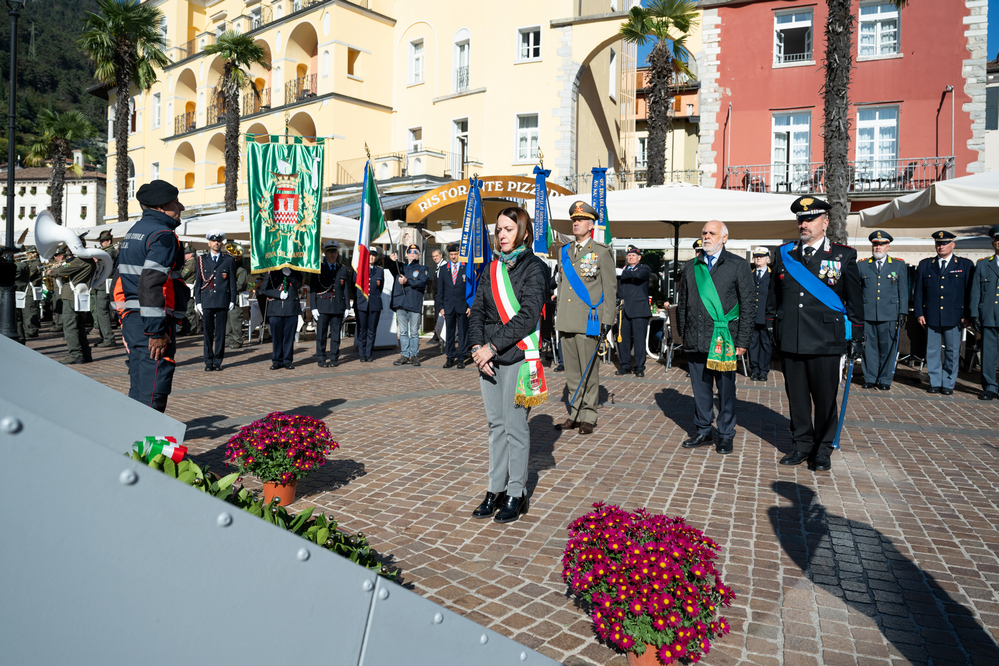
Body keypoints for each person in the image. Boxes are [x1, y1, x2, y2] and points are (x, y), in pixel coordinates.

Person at [768, 196, 864, 472]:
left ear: (825, 222)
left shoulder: (843, 256)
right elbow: (774, 298)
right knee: (797, 398)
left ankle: (823, 449)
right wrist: (773, 325)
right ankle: (801, 445)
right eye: (800, 219)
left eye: (809, 219)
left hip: (825, 339)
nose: (804, 224)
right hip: (792, 337)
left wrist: (856, 336)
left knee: (824, 399)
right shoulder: (785, 253)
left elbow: (855, 301)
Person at [468, 207, 548, 524]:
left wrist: (490, 347)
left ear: (524, 232)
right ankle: (495, 489)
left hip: (516, 356)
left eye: (509, 229)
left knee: (514, 427)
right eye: (499, 229)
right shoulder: (491, 269)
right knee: (494, 426)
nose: (502, 234)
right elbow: (477, 311)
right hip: (488, 357)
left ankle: (516, 492)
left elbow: (527, 316)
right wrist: (476, 348)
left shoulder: (535, 268)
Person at [677, 221, 755, 455]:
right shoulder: (691, 266)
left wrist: (742, 341)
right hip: (695, 338)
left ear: (724, 238)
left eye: (712, 233)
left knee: (725, 390)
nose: (707, 236)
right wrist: (683, 333)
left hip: (724, 339)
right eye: (704, 233)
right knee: (700, 389)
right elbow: (683, 305)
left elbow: (748, 305)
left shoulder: (738, 265)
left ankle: (725, 434)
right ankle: (702, 430)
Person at [114, 180, 189, 412]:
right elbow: (151, 284)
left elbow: (117, 281)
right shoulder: (163, 235)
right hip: (151, 323)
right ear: (160, 207)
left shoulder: (133, 232)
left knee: (139, 390)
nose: (181, 207)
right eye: (175, 202)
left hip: (134, 320)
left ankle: (133, 445)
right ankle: (146, 448)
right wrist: (156, 331)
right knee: (153, 392)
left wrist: (124, 317)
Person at [554, 201, 616, 435]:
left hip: (589, 320)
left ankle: (589, 414)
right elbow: (561, 287)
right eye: (573, 220)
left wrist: (607, 320)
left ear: (591, 225)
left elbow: (610, 288)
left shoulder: (601, 252)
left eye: (580, 220)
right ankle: (575, 413)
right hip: (567, 320)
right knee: (572, 372)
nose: (576, 223)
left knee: (589, 371)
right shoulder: (565, 252)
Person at [913, 230, 974, 395]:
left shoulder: (964, 265)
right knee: (932, 350)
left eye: (945, 243)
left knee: (952, 351)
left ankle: (948, 383)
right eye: (939, 243)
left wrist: (967, 315)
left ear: (952, 245)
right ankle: (934, 381)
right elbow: (918, 292)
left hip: (955, 316)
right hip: (931, 314)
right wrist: (919, 313)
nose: (941, 246)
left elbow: (969, 293)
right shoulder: (926, 264)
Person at [858, 230, 908, 390]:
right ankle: (870, 378)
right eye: (875, 244)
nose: (878, 247)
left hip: (889, 314)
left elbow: (903, 291)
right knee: (869, 348)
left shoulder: (898, 265)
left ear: (888, 246)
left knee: (888, 348)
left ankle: (885, 380)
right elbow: (857, 291)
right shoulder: (862, 265)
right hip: (867, 313)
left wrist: (903, 312)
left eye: (881, 244)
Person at [194, 229, 237, 371]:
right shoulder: (201, 260)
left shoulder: (228, 260)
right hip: (207, 299)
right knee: (207, 333)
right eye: (213, 241)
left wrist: (232, 300)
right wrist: (198, 301)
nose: (216, 243)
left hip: (222, 299)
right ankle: (208, 361)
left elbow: (232, 282)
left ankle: (217, 361)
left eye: (218, 241)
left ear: (222, 243)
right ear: (209, 243)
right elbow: (198, 282)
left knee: (220, 333)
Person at [47, 243, 96, 365]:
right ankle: (85, 354)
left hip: (71, 296)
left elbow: (60, 271)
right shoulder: (90, 261)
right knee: (79, 326)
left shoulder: (79, 261)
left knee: (70, 326)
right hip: (80, 296)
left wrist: (51, 271)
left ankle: (75, 354)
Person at [310, 240, 353, 368]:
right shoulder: (318, 268)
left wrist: (347, 307)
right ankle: (321, 358)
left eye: (334, 252)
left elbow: (345, 288)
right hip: (322, 306)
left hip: (337, 306)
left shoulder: (342, 269)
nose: (332, 254)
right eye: (330, 252)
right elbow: (313, 289)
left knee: (335, 335)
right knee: (321, 335)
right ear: (325, 253)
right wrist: (313, 307)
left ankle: (334, 357)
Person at [970, 224, 999, 400]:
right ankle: (990, 386)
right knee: (988, 353)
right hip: (988, 315)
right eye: (996, 239)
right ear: (992, 242)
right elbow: (975, 292)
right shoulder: (982, 265)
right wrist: (974, 314)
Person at [615, 245, 652, 377]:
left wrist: (621, 273)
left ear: (639, 257)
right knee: (623, 339)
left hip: (639, 310)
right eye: (629, 255)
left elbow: (637, 275)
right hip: (623, 310)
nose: (631, 257)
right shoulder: (623, 270)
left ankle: (639, 367)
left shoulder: (643, 268)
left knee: (639, 340)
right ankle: (624, 365)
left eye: (633, 255)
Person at [390, 244, 429, 367]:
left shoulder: (422, 268)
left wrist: (408, 281)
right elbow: (391, 268)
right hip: (401, 303)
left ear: (418, 255)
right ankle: (404, 355)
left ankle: (414, 355)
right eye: (410, 251)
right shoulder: (399, 266)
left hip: (414, 303)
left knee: (414, 332)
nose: (412, 253)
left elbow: (422, 281)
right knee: (403, 332)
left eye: (415, 252)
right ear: (406, 253)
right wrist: (392, 260)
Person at [261, 267, 303, 369]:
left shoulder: (296, 270)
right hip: (276, 308)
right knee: (276, 337)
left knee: (289, 337)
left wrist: (290, 275)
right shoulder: (272, 271)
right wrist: (278, 294)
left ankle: (287, 360)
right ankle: (276, 360)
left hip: (291, 308)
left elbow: (298, 285)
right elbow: (264, 289)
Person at [437, 242, 470, 368]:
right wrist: (440, 307)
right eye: (451, 254)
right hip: (448, 306)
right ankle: (450, 357)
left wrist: (470, 306)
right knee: (449, 334)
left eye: (456, 254)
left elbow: (471, 289)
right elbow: (440, 290)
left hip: (463, 306)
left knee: (462, 333)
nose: (454, 256)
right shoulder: (444, 269)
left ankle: (461, 358)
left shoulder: (466, 268)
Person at [354, 247, 384, 362]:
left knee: (372, 330)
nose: (371, 257)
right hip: (361, 304)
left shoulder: (380, 271)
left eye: (373, 255)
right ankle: (362, 354)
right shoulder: (359, 270)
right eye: (369, 255)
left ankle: (368, 353)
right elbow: (354, 287)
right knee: (362, 330)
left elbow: (379, 288)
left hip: (374, 304)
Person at [89, 229, 118, 348]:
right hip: (99, 284)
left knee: (102, 312)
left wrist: (97, 257)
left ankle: (109, 338)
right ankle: (104, 337)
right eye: (101, 242)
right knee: (99, 312)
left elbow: (106, 258)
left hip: (104, 285)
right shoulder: (104, 252)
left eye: (103, 241)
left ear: (109, 241)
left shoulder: (110, 251)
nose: (101, 244)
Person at [747, 247, 772, 382]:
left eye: (762, 256)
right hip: (752, 317)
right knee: (752, 344)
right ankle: (755, 370)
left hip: (766, 316)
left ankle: (764, 370)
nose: (758, 258)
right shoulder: (750, 275)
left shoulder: (771, 275)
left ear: (768, 258)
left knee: (766, 345)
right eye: (756, 256)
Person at [225, 243, 249, 349]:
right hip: (229, 296)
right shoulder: (231, 268)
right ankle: (228, 339)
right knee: (228, 319)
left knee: (235, 319)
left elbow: (240, 285)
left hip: (237, 297)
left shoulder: (241, 270)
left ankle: (238, 340)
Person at [179, 243, 198, 336]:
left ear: (191, 254)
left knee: (188, 309)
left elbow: (183, 275)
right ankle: (186, 328)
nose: (184, 255)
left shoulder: (191, 263)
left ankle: (191, 328)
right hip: (186, 287)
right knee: (185, 309)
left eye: (186, 254)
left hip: (189, 287)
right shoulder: (189, 263)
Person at [429, 248, 446, 345]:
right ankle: (437, 335)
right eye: (433, 256)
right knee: (437, 316)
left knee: (440, 317)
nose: (435, 258)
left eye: (436, 256)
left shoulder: (444, 266)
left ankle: (438, 336)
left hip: (441, 296)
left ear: (441, 255)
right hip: (437, 296)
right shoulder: (438, 266)